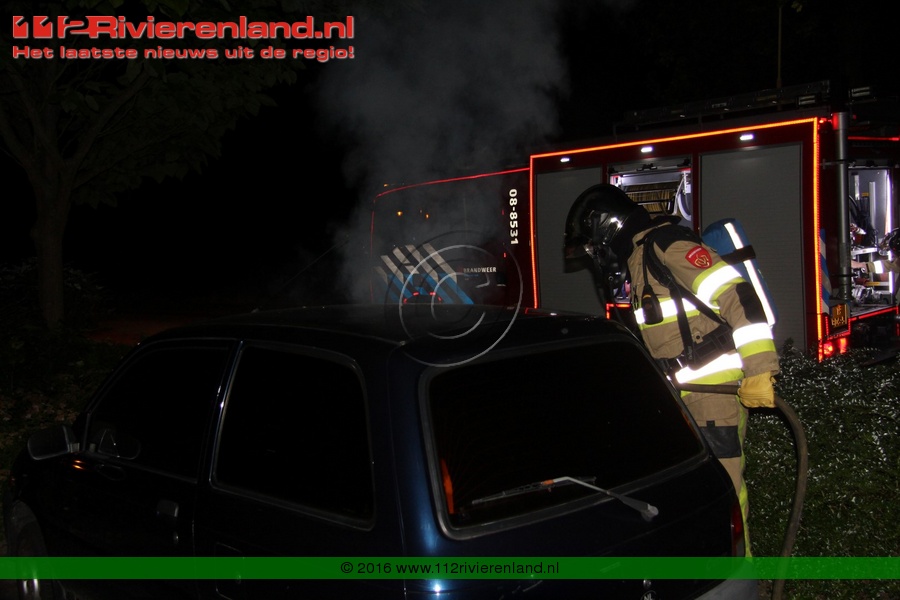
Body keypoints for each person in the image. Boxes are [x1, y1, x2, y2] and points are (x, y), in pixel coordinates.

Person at [564, 183, 780, 554]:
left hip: (714, 397)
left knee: (723, 494)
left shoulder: (666, 245)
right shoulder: (640, 260)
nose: (595, 255)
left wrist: (761, 367)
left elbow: (737, 295)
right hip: (688, 399)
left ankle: (738, 572)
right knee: (696, 497)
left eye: (592, 246)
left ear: (606, 227)